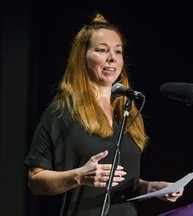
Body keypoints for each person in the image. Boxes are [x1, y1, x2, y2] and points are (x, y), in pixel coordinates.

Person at [24, 13, 183, 216]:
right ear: (82, 57)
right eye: (102, 50)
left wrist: (151, 187)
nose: (112, 58)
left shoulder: (127, 110)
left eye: (118, 51)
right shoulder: (62, 111)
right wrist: (79, 176)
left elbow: (121, 183)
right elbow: (35, 181)